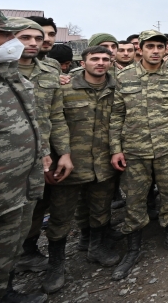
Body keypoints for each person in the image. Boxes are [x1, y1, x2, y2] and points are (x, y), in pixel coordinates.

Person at [109, 30, 168, 280]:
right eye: (150, 46)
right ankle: (133, 249)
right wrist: (116, 148)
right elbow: (116, 115)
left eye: (160, 46)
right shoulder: (124, 77)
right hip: (135, 151)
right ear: (141, 49)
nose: (156, 50)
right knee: (135, 198)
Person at [41, 46, 121, 293]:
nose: (100, 63)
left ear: (111, 62)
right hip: (70, 165)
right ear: (82, 62)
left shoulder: (117, 88)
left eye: (105, 59)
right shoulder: (64, 88)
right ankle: (56, 265)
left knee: (100, 209)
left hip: (103, 163)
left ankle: (95, 248)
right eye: (94, 59)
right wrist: (59, 155)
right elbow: (53, 122)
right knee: (61, 216)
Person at [0, 8, 48, 303]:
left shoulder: (8, 75)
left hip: (15, 190)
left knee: (2, 254)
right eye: (3, 35)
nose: (13, 42)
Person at [11, 18, 73, 277]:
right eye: (26, 38)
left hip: (49, 154)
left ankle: (45, 257)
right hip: (11, 160)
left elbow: (55, 116)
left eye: (39, 38)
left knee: (47, 205)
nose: (36, 42)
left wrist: (65, 153)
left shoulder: (49, 69)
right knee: (13, 218)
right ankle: (11, 270)